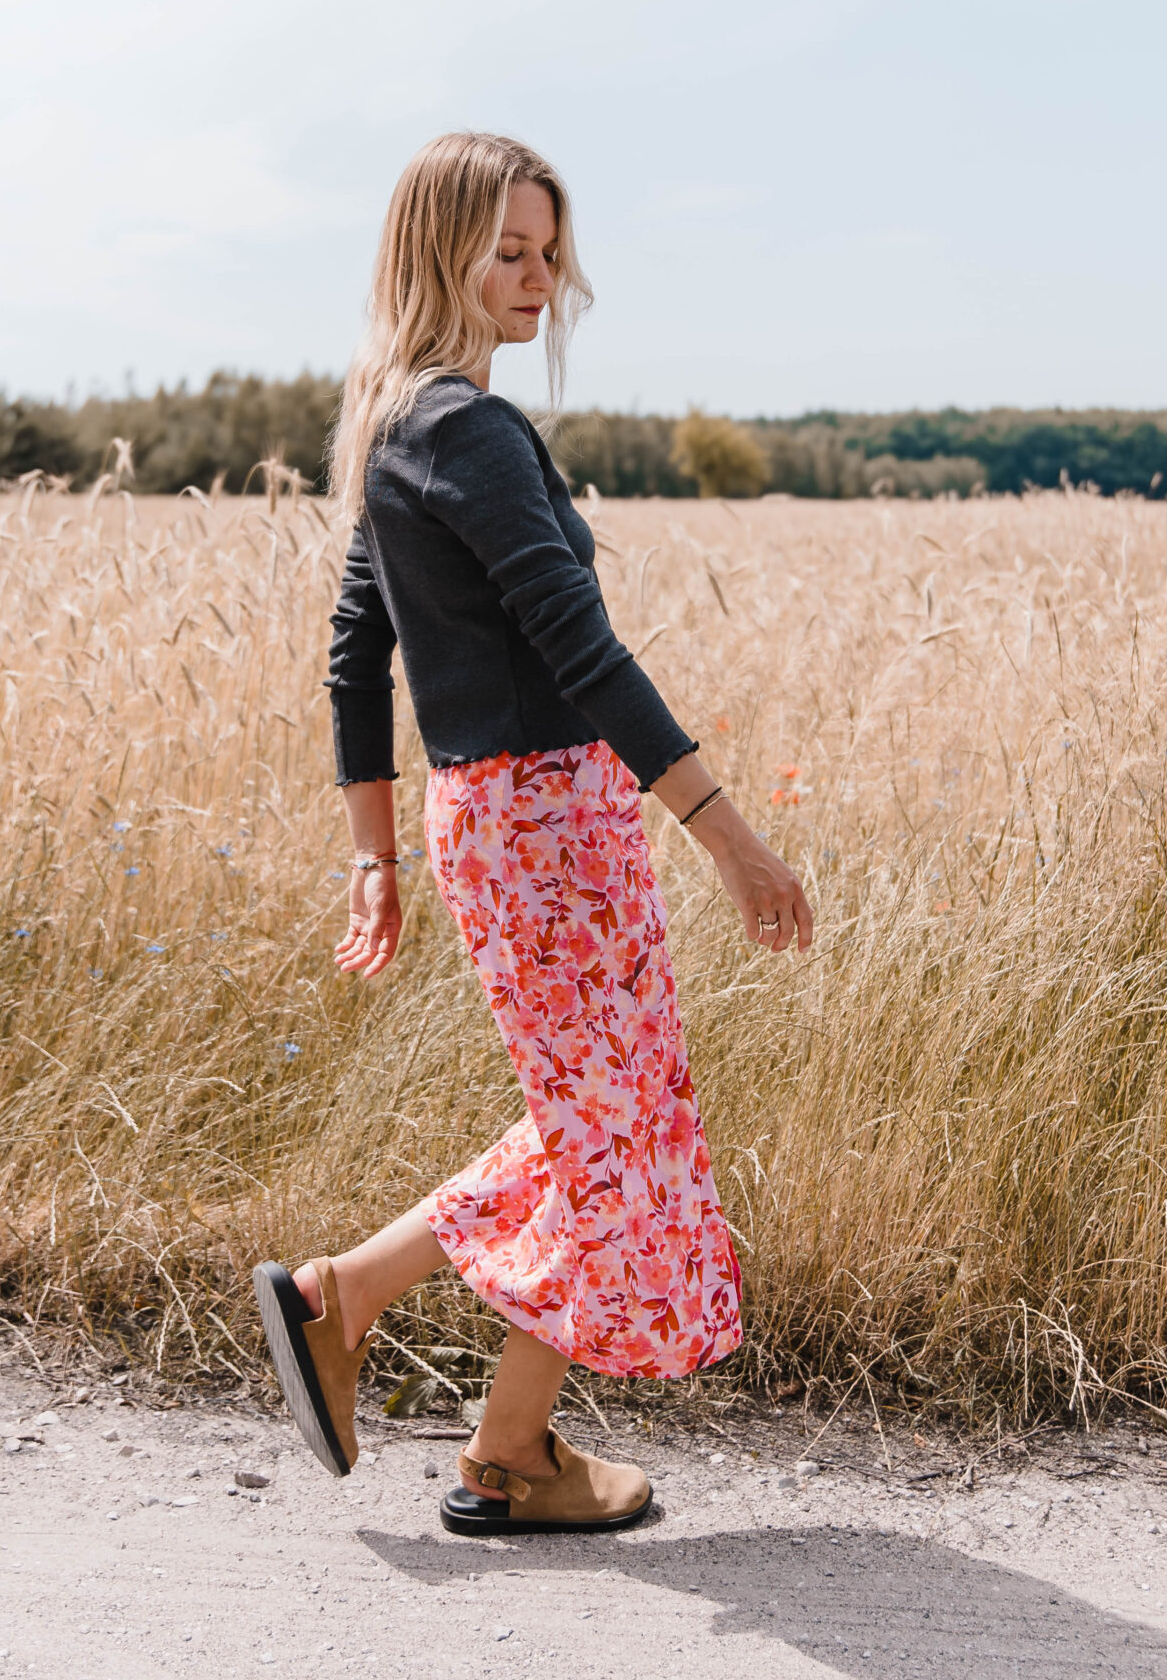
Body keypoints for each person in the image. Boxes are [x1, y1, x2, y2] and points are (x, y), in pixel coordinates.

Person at [253, 130, 812, 1534]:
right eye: (507, 250)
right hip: (554, 820)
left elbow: (354, 659)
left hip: (491, 821)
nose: (538, 277)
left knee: (602, 1116)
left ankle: (384, 1334)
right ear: (437, 251)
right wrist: (730, 838)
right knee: (615, 1124)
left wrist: (378, 858)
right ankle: (485, 1436)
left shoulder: (394, 428)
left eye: (549, 252)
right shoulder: (466, 431)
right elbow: (577, 645)